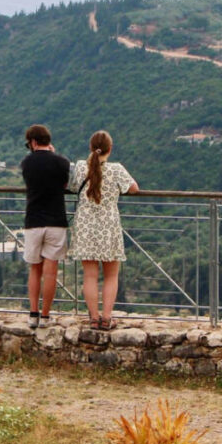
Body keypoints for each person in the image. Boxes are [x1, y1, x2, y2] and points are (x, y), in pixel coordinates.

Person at [69, 130, 138, 330]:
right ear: (111, 149)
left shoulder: (82, 166)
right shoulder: (117, 169)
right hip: (108, 225)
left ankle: (93, 317)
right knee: (111, 275)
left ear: (91, 148)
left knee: (90, 275)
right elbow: (134, 188)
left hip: (85, 224)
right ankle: (107, 318)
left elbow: (73, 186)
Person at [20, 124, 70, 329]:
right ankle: (46, 316)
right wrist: (54, 154)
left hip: (33, 221)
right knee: (51, 272)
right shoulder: (62, 162)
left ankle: (33, 314)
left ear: (32, 142)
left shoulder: (26, 163)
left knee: (35, 270)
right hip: (56, 220)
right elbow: (65, 185)